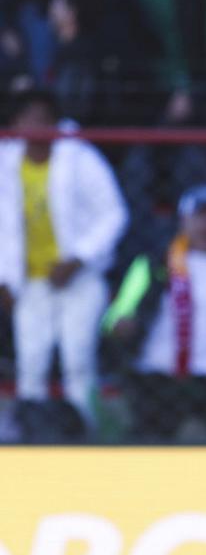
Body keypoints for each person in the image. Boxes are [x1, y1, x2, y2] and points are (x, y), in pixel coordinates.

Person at [0, 88, 128, 439]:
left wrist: (79, 258)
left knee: (77, 359)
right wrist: (4, 279)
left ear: (56, 123)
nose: (36, 125)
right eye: (28, 118)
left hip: (79, 279)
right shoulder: (5, 160)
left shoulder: (80, 156)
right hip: (28, 281)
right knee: (31, 362)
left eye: (44, 118)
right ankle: (31, 434)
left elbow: (114, 213)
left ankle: (83, 433)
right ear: (14, 123)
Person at [104, 186, 206, 442]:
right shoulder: (155, 263)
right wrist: (121, 324)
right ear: (183, 221)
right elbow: (118, 313)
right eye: (200, 217)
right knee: (146, 435)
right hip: (160, 374)